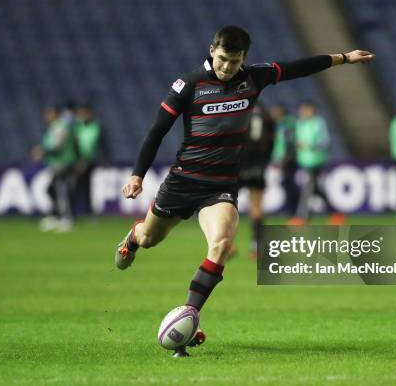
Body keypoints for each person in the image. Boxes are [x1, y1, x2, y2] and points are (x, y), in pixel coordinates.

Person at [115, 25, 374, 349]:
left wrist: (344, 58)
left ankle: (189, 316)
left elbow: (298, 68)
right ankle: (135, 236)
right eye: (223, 59)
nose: (227, 67)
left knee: (222, 244)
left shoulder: (254, 77)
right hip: (183, 181)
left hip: (220, 186)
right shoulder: (189, 84)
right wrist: (137, 176)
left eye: (234, 61)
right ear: (212, 51)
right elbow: (156, 131)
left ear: (244, 58)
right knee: (151, 239)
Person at [290, 101, 344, 226]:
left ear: (312, 110)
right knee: (316, 189)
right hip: (304, 161)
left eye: (306, 110)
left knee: (307, 189)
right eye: (302, 110)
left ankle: (301, 217)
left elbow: (324, 142)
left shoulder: (319, 123)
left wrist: (308, 145)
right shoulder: (299, 124)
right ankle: (336, 214)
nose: (303, 112)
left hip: (316, 161)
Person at [238, 104, 275, 259]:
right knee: (257, 206)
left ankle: (226, 244)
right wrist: (265, 160)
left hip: (240, 163)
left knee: (226, 202)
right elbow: (272, 141)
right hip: (258, 165)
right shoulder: (265, 114)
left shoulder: (240, 110)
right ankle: (256, 246)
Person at [32, 106, 78, 232]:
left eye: (49, 113)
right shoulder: (56, 126)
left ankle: (67, 219)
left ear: (55, 114)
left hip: (63, 162)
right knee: (52, 189)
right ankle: (57, 216)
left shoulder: (60, 126)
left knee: (60, 190)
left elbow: (57, 145)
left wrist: (43, 151)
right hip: (57, 162)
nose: (46, 116)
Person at [270, 104, 299, 217]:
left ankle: (293, 210)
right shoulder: (281, 124)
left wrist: (284, 158)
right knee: (287, 183)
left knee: (288, 183)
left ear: (281, 111)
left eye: (275, 111)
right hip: (284, 159)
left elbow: (289, 143)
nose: (273, 114)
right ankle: (292, 210)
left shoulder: (287, 124)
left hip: (288, 160)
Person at [74, 104, 102, 214]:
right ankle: (74, 211)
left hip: (90, 161)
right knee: (75, 186)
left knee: (87, 187)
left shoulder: (96, 127)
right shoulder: (77, 128)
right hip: (76, 162)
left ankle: (88, 211)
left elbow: (101, 145)